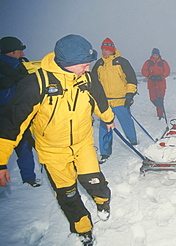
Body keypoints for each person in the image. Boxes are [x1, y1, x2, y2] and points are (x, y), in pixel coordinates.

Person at [0, 34, 115, 246]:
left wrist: (108, 119)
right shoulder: (36, 84)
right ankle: (83, 228)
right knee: (68, 195)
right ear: (67, 64)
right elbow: (11, 123)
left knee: (95, 181)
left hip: (82, 144)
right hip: (53, 152)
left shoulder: (87, 79)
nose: (88, 69)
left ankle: (103, 203)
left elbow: (99, 100)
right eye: (84, 65)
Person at [0, 36, 40, 187]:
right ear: (11, 53)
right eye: (19, 51)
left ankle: (29, 178)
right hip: (5, 116)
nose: (23, 54)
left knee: (25, 146)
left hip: (22, 114)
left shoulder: (22, 66)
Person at [92, 37, 138, 164]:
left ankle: (133, 141)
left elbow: (131, 79)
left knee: (127, 122)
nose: (104, 52)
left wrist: (129, 95)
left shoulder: (121, 62)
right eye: (103, 49)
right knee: (104, 127)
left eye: (107, 49)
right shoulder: (98, 64)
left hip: (121, 101)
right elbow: (94, 83)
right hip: (104, 103)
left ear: (112, 50)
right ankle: (105, 152)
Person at [141, 48, 170, 120]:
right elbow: (143, 71)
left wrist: (162, 76)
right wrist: (149, 76)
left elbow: (167, 70)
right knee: (153, 99)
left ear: (159, 55)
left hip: (161, 84)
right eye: (154, 55)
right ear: (152, 55)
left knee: (160, 98)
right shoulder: (148, 62)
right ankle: (160, 109)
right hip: (152, 84)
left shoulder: (163, 62)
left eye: (157, 55)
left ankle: (160, 114)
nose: (155, 56)